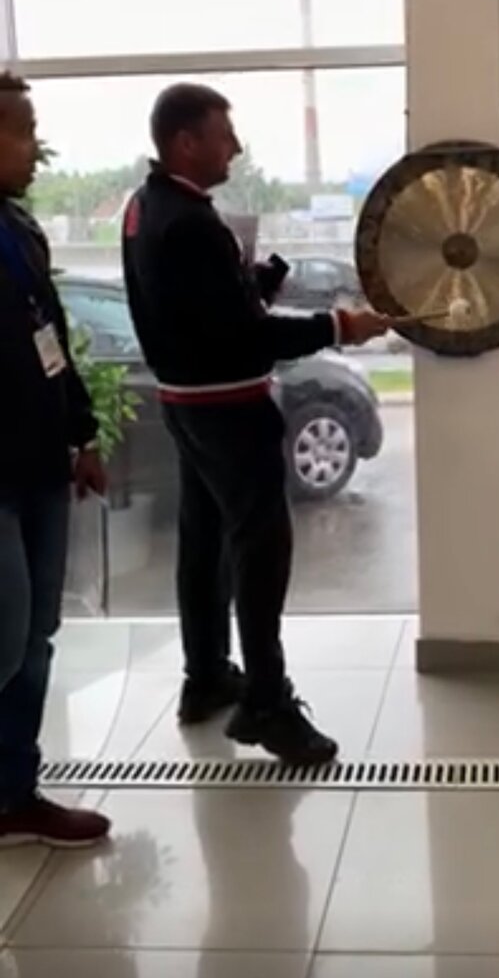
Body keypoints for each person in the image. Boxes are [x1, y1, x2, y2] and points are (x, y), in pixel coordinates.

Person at [123, 83, 388, 766]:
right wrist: (340, 325)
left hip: (184, 403)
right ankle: (267, 704)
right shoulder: (190, 222)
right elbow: (243, 338)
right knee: (260, 550)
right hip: (228, 408)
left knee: (203, 541)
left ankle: (207, 674)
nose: (235, 148)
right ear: (185, 141)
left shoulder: (145, 207)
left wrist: (251, 285)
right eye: (224, 135)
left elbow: (196, 314)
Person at [0, 71, 110, 848]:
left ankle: (15, 793)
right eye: (23, 131)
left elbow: (52, 342)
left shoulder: (21, 231)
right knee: (4, 636)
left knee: (37, 632)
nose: (35, 149)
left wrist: (83, 434)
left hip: (39, 463)